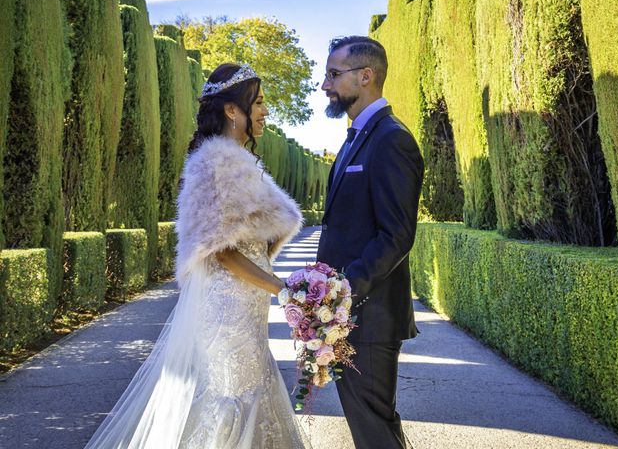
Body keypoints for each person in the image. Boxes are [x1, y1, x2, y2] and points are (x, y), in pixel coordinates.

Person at [85, 63, 311, 449]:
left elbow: (253, 239)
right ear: (231, 110)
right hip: (226, 309)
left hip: (246, 306)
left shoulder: (239, 161)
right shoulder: (216, 162)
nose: (265, 111)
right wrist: (281, 287)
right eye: (258, 102)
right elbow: (220, 251)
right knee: (232, 399)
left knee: (251, 392)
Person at [316, 36, 424, 449]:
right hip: (349, 314)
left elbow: (396, 234)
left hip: (369, 314)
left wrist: (344, 290)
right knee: (373, 427)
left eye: (333, 74)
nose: (325, 85)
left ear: (366, 76)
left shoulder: (391, 138)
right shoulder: (357, 135)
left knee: (374, 430)